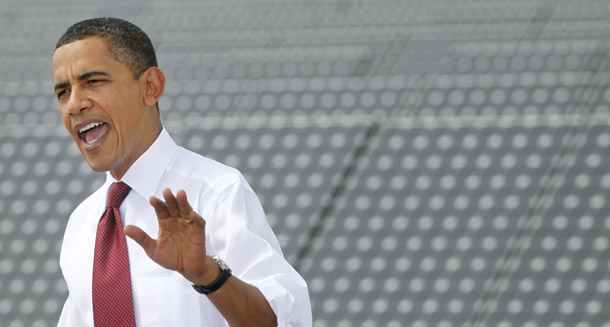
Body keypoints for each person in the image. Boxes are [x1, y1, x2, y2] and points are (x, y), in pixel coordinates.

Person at [52, 17, 311, 326]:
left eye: (93, 81)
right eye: (63, 91)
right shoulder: (82, 223)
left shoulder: (217, 193)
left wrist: (206, 274)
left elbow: (285, 320)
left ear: (151, 87)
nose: (74, 104)